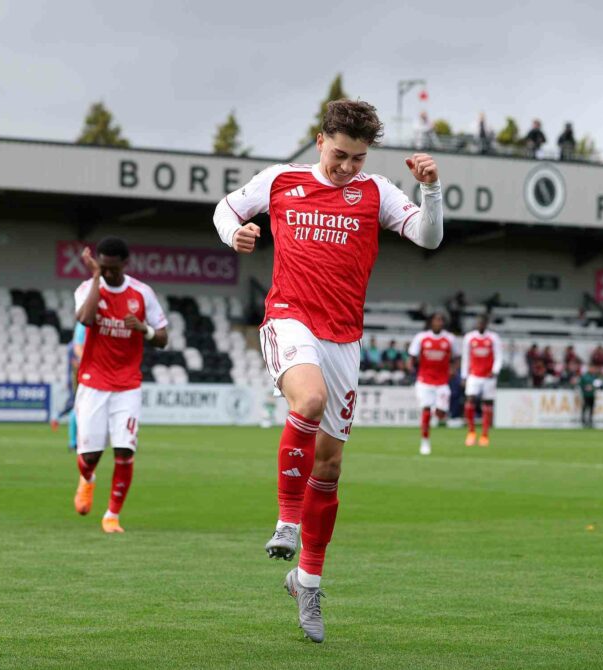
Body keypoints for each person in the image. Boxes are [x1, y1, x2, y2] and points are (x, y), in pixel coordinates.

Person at [212, 99, 443, 643]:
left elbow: (429, 239)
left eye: (358, 158)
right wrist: (235, 235)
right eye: (340, 154)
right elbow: (226, 209)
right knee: (308, 402)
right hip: (290, 319)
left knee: (332, 466)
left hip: (344, 338)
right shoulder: (280, 181)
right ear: (320, 141)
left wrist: (431, 189)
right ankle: (286, 520)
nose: (347, 168)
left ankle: (308, 580)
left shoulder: (377, 193)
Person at [71, 237, 169, 533]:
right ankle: (87, 479)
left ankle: (112, 515)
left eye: (113, 268)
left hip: (128, 385)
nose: (109, 273)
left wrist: (145, 330)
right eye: (104, 268)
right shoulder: (88, 288)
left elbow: (164, 338)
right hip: (93, 382)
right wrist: (97, 278)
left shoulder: (142, 293)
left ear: (126, 264)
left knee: (124, 452)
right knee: (89, 457)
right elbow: (86, 320)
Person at [407, 312, 460, 456]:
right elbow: (412, 355)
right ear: (431, 323)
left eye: (441, 320)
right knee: (425, 409)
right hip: (424, 380)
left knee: (441, 413)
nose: (438, 323)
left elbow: (456, 357)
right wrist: (410, 365)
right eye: (436, 320)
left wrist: (454, 369)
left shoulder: (450, 338)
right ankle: (425, 442)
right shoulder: (422, 337)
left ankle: (435, 413)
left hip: (442, 382)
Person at [461, 314, 502, 447]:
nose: (480, 325)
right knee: (470, 400)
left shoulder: (493, 338)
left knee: (487, 404)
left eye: (483, 323)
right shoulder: (469, 337)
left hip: (488, 376)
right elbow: (465, 357)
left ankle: (484, 435)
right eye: (478, 323)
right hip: (474, 375)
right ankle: (471, 432)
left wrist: (495, 371)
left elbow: (499, 356)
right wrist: (464, 375)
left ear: (486, 324)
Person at [53, 321, 87, 452]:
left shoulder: (82, 326)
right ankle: (73, 442)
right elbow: (77, 352)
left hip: (82, 373)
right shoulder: (82, 327)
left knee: (78, 406)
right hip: (82, 374)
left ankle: (75, 441)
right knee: (77, 406)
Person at [578, 364, 602, 428]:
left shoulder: (595, 376)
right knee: (585, 407)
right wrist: (585, 388)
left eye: (593, 369)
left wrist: (593, 388)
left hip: (592, 394)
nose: (593, 370)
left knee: (591, 408)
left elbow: (599, 385)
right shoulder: (584, 376)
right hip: (586, 395)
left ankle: (590, 420)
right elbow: (581, 385)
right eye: (591, 368)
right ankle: (583, 420)